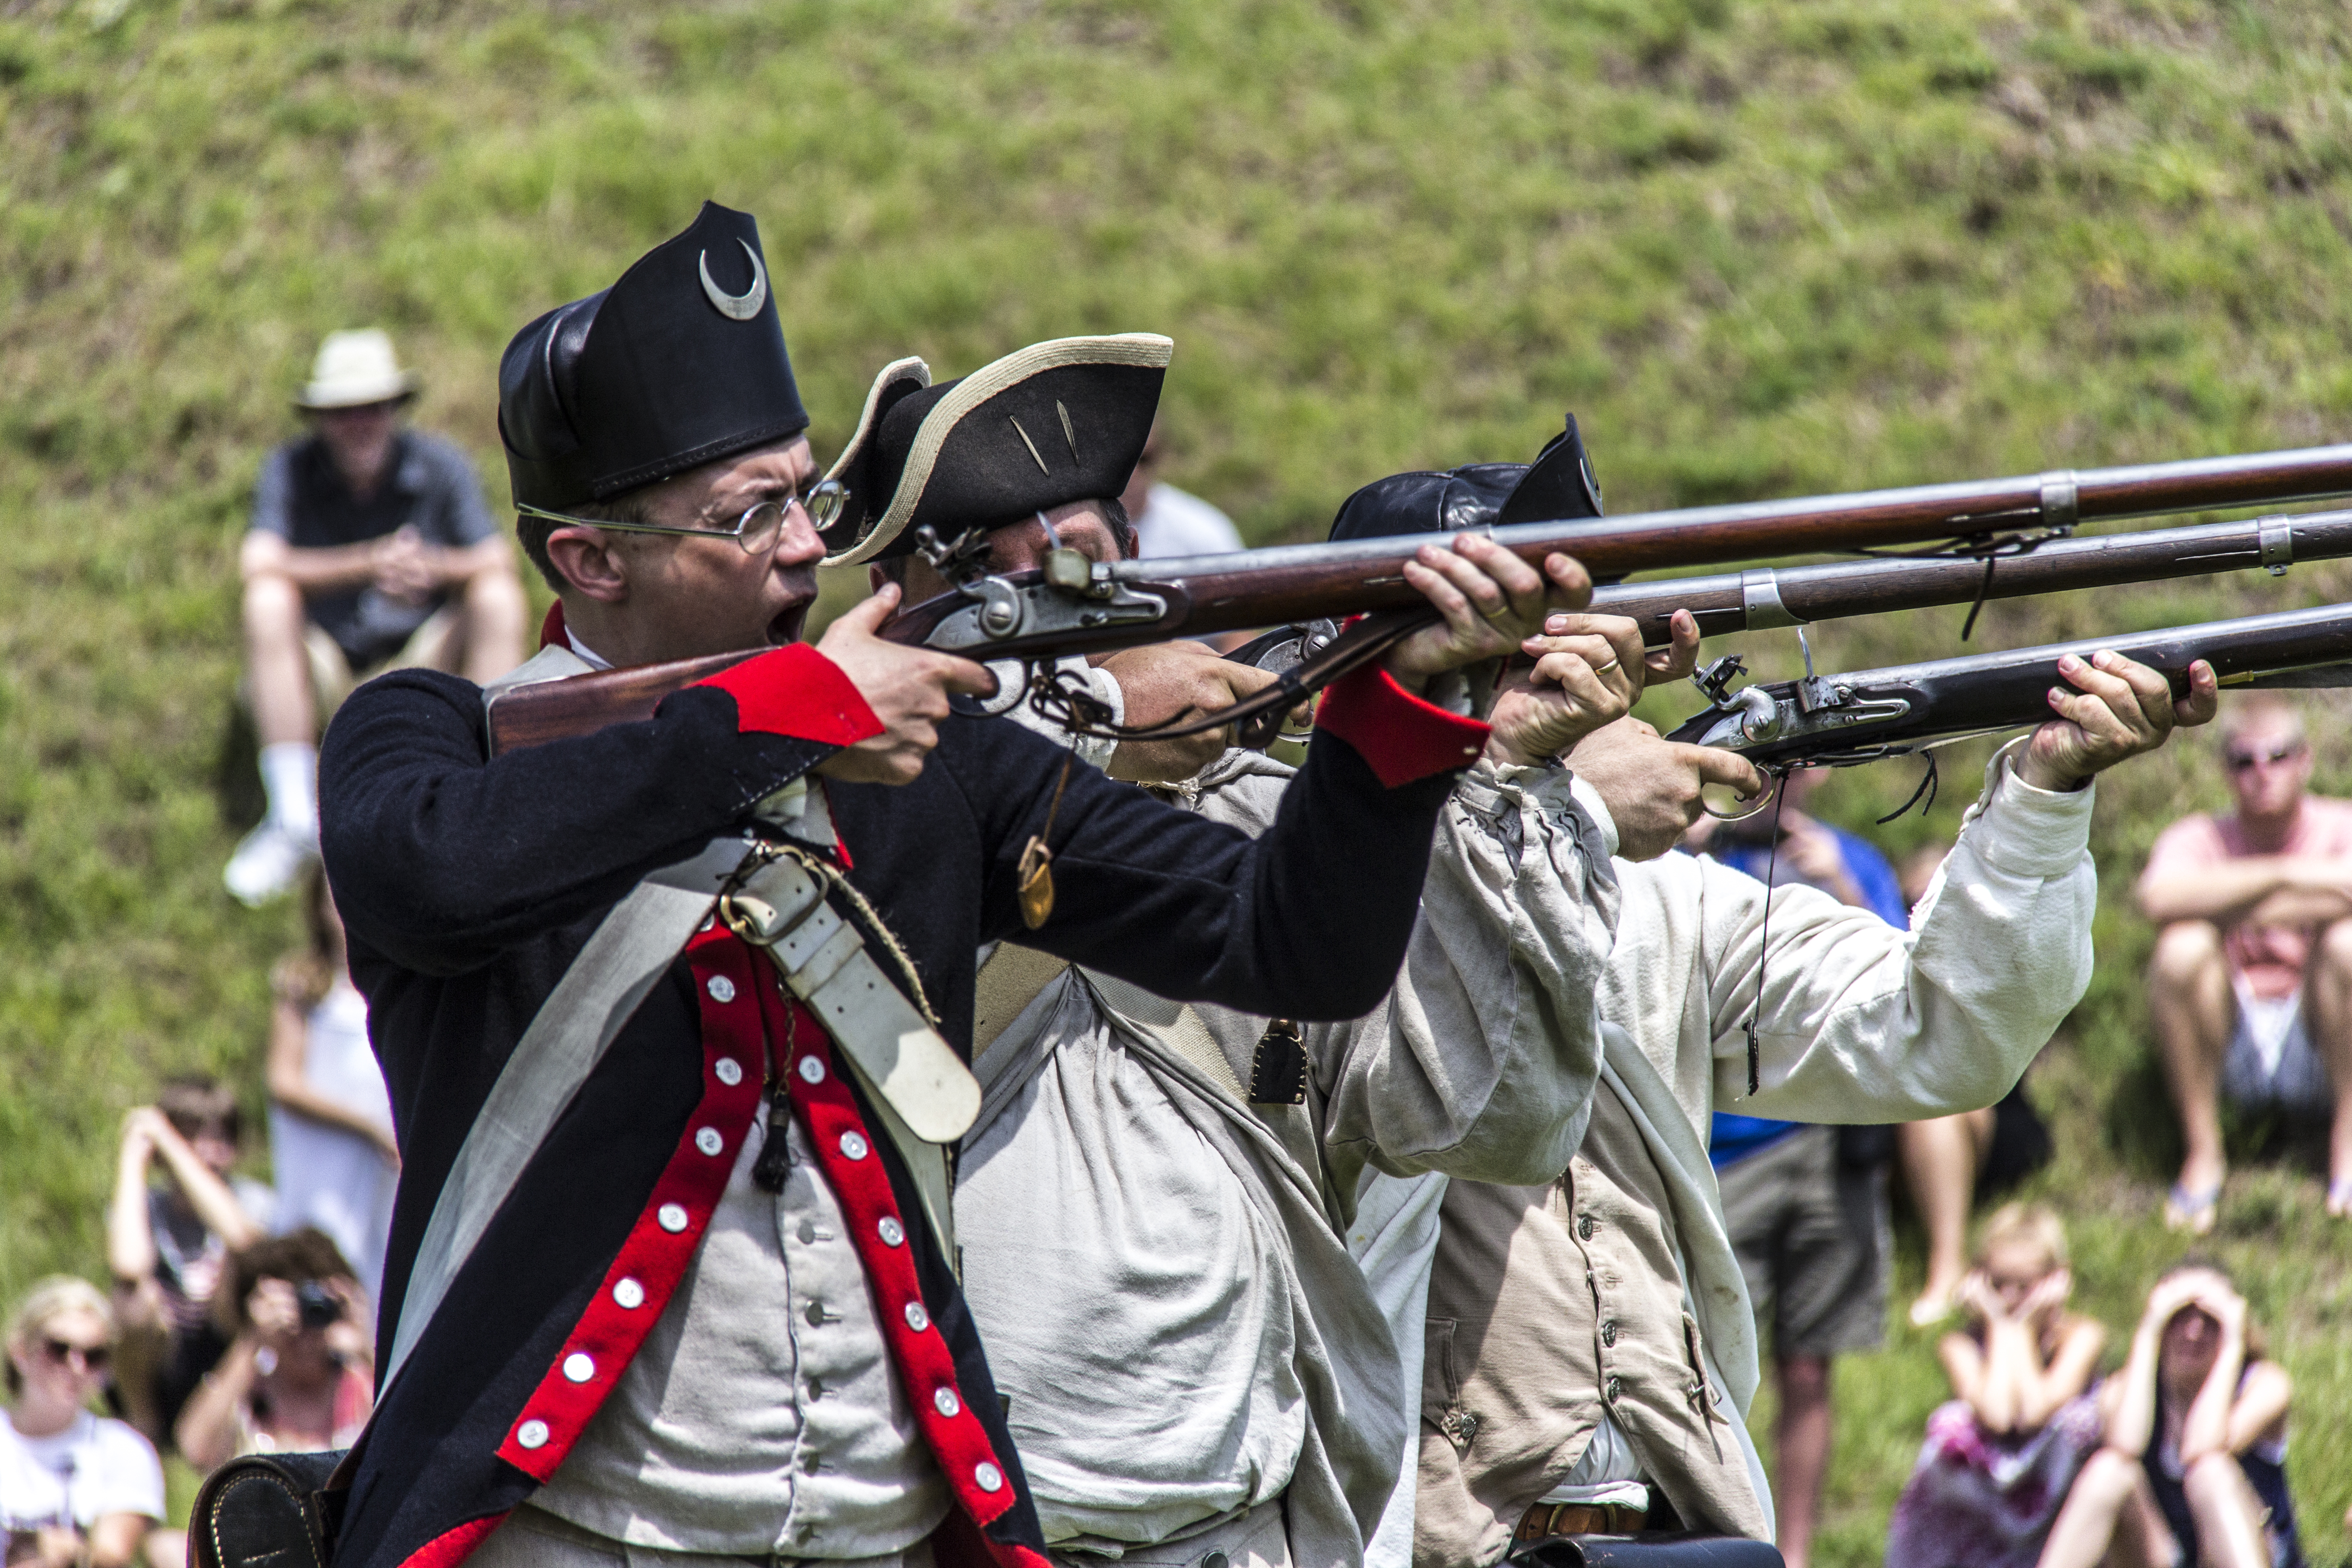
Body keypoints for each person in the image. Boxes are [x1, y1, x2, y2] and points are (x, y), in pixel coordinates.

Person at [317, 203, 1583, 1568]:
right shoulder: (436, 735)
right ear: (590, 559)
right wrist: (793, 712)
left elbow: (1296, 946)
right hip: (564, 1531)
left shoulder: (938, 763)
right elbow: (428, 878)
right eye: (750, 516)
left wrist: (1392, 709)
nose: (809, 545)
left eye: (803, 494)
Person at [872, 425, 1657, 1568]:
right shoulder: (852, 813)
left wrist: (1513, 782)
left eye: (1102, 571)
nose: (1087, 620)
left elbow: (1499, 1124)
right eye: (1036, 593)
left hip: (1239, 1522)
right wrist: (1083, 727)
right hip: (965, 1527)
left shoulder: (1271, 825)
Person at [1411, 638, 2216, 1567]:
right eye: (1524, 669)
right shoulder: (1317, 903)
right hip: (1423, 1532)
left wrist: (2044, 790)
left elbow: (1941, 1031)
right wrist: (1572, 811)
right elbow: (1425, 1028)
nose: (1586, 689)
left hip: (1679, 1528)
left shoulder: (1665, 900)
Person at [1690, 765, 1907, 1568]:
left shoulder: (1846, 855)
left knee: (1809, 1362)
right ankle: (1720, 1535)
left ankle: (1798, 1550)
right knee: (1707, 1365)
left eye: (1791, 765)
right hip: (1722, 1150)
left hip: (1824, 1144)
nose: (1773, 784)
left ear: (1817, 770)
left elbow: (1904, 981)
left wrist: (1841, 886)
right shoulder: (1689, 858)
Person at [228, 328, 527, 906]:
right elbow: (256, 562)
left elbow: (496, 557)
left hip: (419, 657)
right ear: (319, 418)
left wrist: (433, 569)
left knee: (496, 596)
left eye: (372, 408)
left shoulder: (441, 464)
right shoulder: (289, 469)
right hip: (323, 662)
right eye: (344, 412)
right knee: (265, 599)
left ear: (394, 409)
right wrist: (366, 563)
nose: (360, 424)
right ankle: (294, 815)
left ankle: (485, 786)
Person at [2138, 692, 2352, 1232]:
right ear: (2225, 770)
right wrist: (2294, 876)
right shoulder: (2197, 835)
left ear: (2304, 759)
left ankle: (2347, 1145)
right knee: (2180, 949)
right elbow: (2159, 900)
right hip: (2229, 1036)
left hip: (2323, 1033)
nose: (2262, 772)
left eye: (2278, 756)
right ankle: (2202, 1153)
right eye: (2244, 759)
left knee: (2347, 943)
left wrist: (2226, 897)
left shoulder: (2341, 823)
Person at [1882, 1204, 2107, 1568]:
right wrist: (2006, 1329)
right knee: (1952, 1423)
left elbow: (2035, 1412)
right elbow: (1999, 1416)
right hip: (1979, 1529)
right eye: (1998, 1284)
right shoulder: (1961, 1347)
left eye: (2026, 1285)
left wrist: (2017, 1330)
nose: (2011, 1298)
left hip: (2064, 1526)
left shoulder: (2081, 1337)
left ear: (2057, 1281)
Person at [2036, 1264, 2300, 1568]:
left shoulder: (2264, 1385)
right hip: (2165, 1555)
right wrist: (2149, 1332)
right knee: (2109, 1470)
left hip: (2254, 1555)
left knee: (2210, 1473)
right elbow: (2125, 1445)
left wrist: (2232, 1346)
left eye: (2210, 1320)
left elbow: (2202, 1449)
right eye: (2178, 1317)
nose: (2193, 1332)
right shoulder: (2127, 1391)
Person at [104, 1079, 270, 1447]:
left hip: (224, 1348)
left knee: (239, 1272)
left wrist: (177, 1153)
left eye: (222, 1139)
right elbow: (128, 1266)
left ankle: (224, 1424)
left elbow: (246, 1246)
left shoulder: (252, 1200)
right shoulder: (145, 1204)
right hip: (161, 1355)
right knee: (131, 1298)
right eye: (193, 1138)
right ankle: (143, 1425)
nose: (209, 1153)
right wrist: (133, 1159)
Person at [266, 869, 398, 1299]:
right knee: (323, 1261)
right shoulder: (307, 982)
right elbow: (284, 1082)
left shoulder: (396, 986)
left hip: (387, 1164)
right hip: (328, 1154)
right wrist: (367, 1126)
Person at [174, 1230, 375, 1473]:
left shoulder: (363, 1388)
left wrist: (365, 1347)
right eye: (293, 1315)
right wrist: (251, 1341)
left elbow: (413, 1441)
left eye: (316, 1311)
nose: (305, 1334)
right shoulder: (250, 1395)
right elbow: (195, 1450)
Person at [1, 1279, 167, 1568]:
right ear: (21, 1351)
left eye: (94, 1356)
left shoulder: (124, 1449)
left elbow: (111, 1559)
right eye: (59, 1349)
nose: (77, 1366)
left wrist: (70, 1555)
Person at [1117, 415, 1245, 558]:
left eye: (1144, 460)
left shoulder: (1204, 534)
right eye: (1119, 460)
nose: (1133, 473)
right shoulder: (1089, 530)